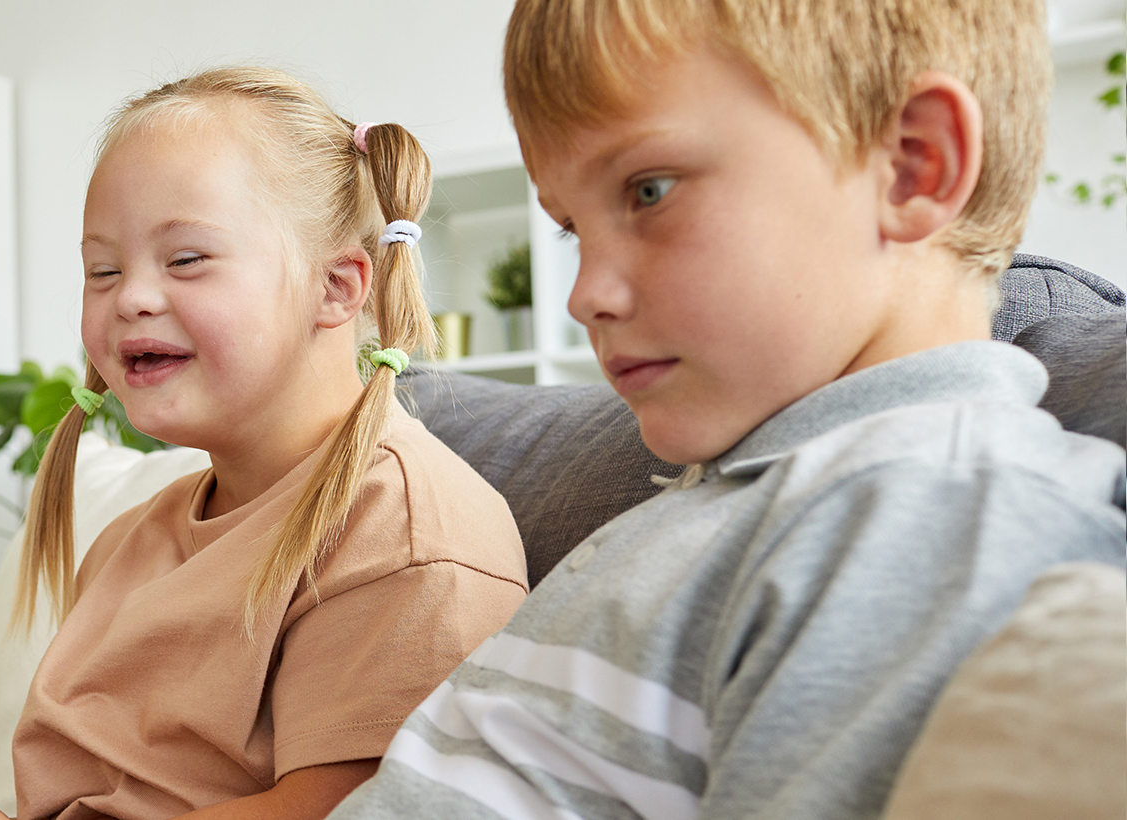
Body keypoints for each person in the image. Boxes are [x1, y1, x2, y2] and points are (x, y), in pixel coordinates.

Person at [325, 0, 1127, 818]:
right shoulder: (764, 490)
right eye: (573, 229)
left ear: (912, 165)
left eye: (650, 191)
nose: (583, 296)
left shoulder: (931, 515)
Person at [0, 66, 530, 820]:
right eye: (102, 270)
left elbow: (349, 809)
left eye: (186, 260)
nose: (132, 297)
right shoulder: (129, 540)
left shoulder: (402, 534)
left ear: (339, 287)